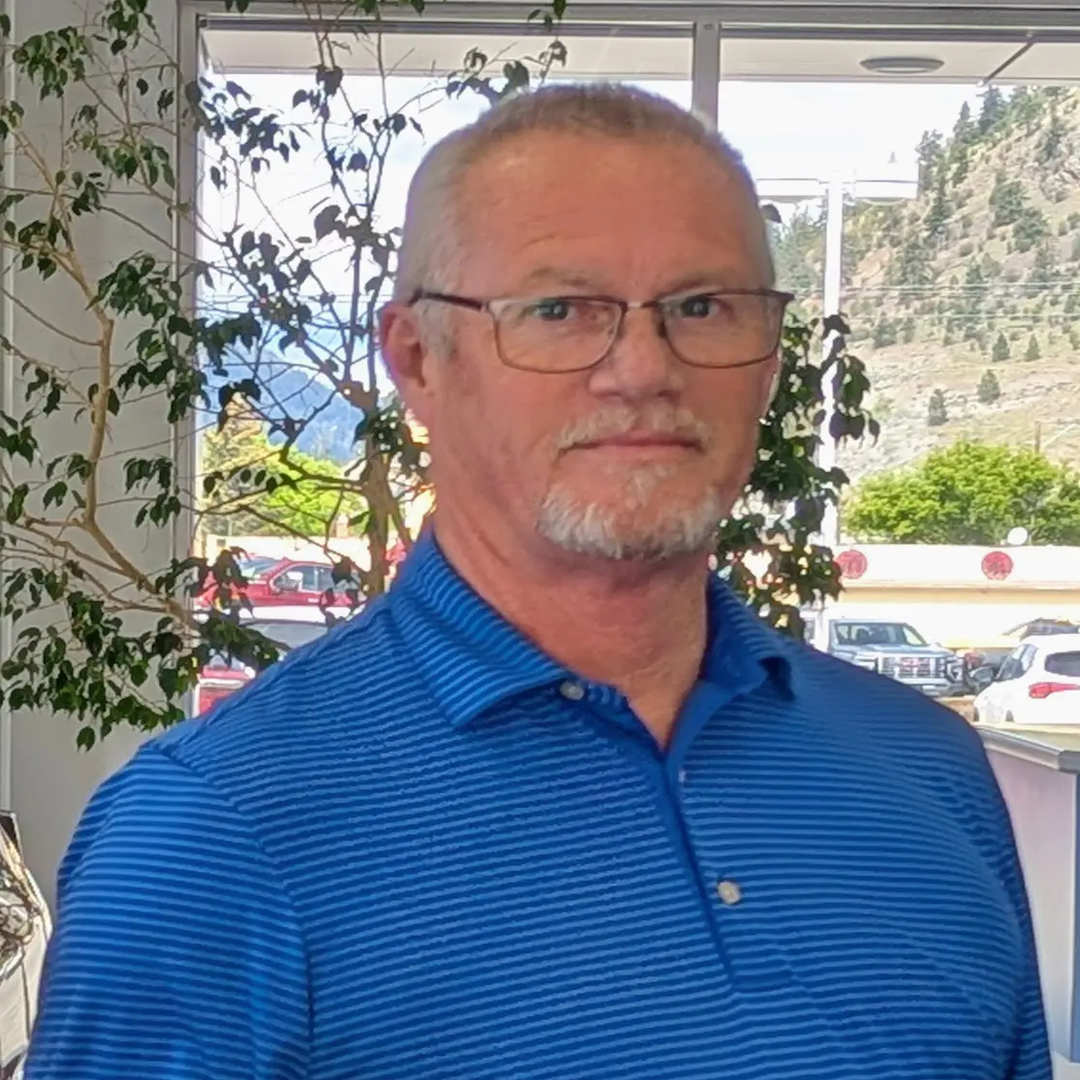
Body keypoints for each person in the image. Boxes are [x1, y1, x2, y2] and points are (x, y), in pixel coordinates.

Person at [26, 83, 1050, 1080]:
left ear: (771, 357)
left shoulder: (928, 771)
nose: (643, 368)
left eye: (703, 306)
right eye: (559, 309)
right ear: (417, 360)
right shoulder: (209, 836)